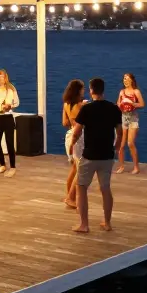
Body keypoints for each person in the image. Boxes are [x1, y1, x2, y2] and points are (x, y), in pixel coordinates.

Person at [70, 78, 123, 233]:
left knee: (81, 187)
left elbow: (77, 131)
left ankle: (84, 224)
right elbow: (119, 132)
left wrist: (72, 144)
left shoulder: (87, 109)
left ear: (91, 90)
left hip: (89, 155)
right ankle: (107, 223)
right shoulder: (114, 109)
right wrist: (117, 147)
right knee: (105, 188)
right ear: (103, 90)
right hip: (107, 155)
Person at [0, 69, 19, 176]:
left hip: (8, 117)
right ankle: (2, 164)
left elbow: (16, 102)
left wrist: (10, 106)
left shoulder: (11, 89)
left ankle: (13, 167)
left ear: (6, 78)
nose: (0, 79)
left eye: (2, 77)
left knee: (10, 142)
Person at [61, 79, 85, 208]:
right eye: (82, 89)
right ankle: (71, 198)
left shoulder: (66, 104)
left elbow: (65, 123)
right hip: (78, 137)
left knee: (75, 168)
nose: (84, 91)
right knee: (81, 169)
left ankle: (70, 196)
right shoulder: (80, 106)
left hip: (69, 135)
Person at [115, 72, 145, 174]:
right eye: (124, 78)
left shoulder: (136, 92)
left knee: (130, 143)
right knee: (122, 144)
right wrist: (121, 104)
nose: (125, 80)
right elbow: (118, 103)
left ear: (131, 80)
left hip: (133, 118)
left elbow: (142, 104)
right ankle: (121, 166)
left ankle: (136, 167)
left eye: (127, 78)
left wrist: (132, 104)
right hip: (124, 118)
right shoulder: (122, 92)